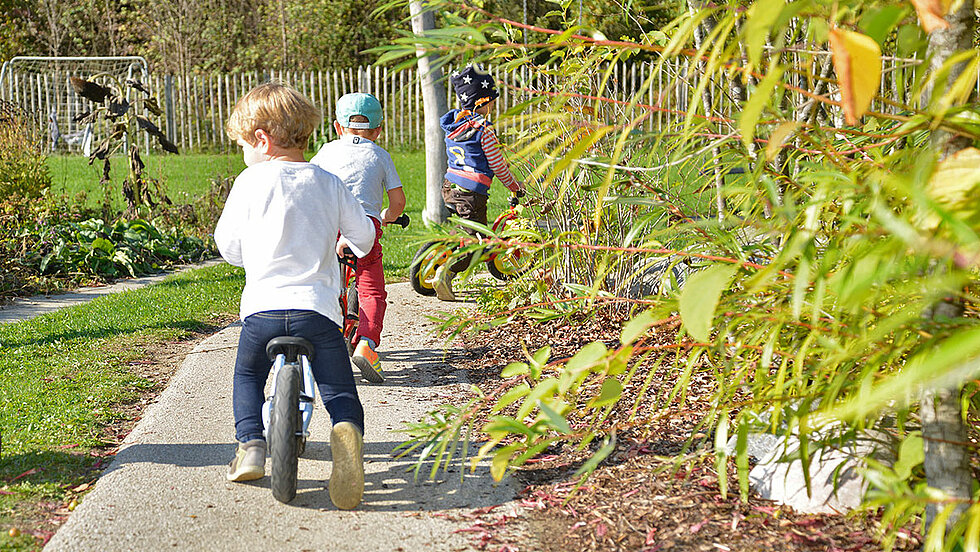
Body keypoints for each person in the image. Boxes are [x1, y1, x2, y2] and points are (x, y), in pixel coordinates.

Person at [214, 82, 376, 510]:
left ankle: (250, 443)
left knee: (248, 375)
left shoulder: (249, 182)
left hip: (262, 312)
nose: (244, 154)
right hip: (318, 312)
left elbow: (227, 246)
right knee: (338, 387)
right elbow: (362, 234)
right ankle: (346, 436)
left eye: (244, 144)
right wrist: (353, 245)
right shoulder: (327, 181)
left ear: (262, 140)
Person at [310, 92, 405, 384]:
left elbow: (310, 181)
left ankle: (320, 344)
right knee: (371, 289)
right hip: (364, 228)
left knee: (322, 282)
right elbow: (398, 200)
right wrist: (388, 215)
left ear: (338, 128)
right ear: (378, 130)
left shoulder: (326, 151)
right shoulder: (380, 155)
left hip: (329, 225)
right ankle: (367, 343)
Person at [436, 64, 525, 301]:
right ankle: (446, 273)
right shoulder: (483, 129)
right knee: (475, 245)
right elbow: (497, 165)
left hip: (450, 187)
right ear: (483, 102)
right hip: (471, 194)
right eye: (491, 101)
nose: (493, 106)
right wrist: (514, 186)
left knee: (463, 231)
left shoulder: (453, 125)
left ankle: (438, 259)